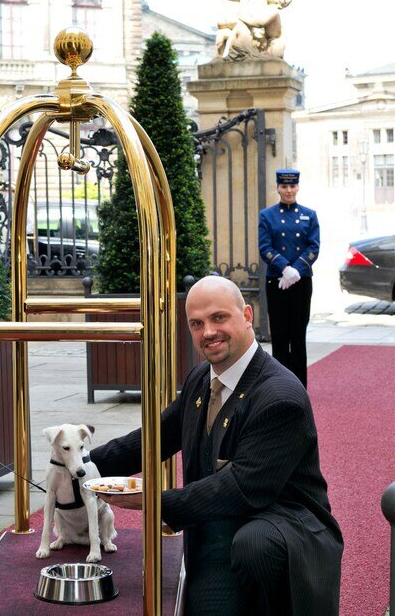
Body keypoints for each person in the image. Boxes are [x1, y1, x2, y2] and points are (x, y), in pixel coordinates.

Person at [92, 275, 342, 615]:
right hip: (217, 529)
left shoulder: (280, 397)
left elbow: (240, 487)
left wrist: (154, 501)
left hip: (279, 533)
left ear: (248, 316)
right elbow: (156, 437)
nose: (208, 332)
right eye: (197, 323)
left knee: (253, 546)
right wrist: (85, 465)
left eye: (219, 318)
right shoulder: (201, 377)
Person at [258, 168, 319, 388]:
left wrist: (296, 271)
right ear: (277, 188)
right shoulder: (267, 215)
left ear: (298, 187)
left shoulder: (309, 214)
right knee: (280, 335)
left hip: (301, 282)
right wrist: (284, 268)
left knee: (298, 335)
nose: (288, 190)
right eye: (284, 186)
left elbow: (314, 247)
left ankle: (300, 386)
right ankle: (280, 386)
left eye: (292, 186)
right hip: (278, 282)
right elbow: (265, 247)